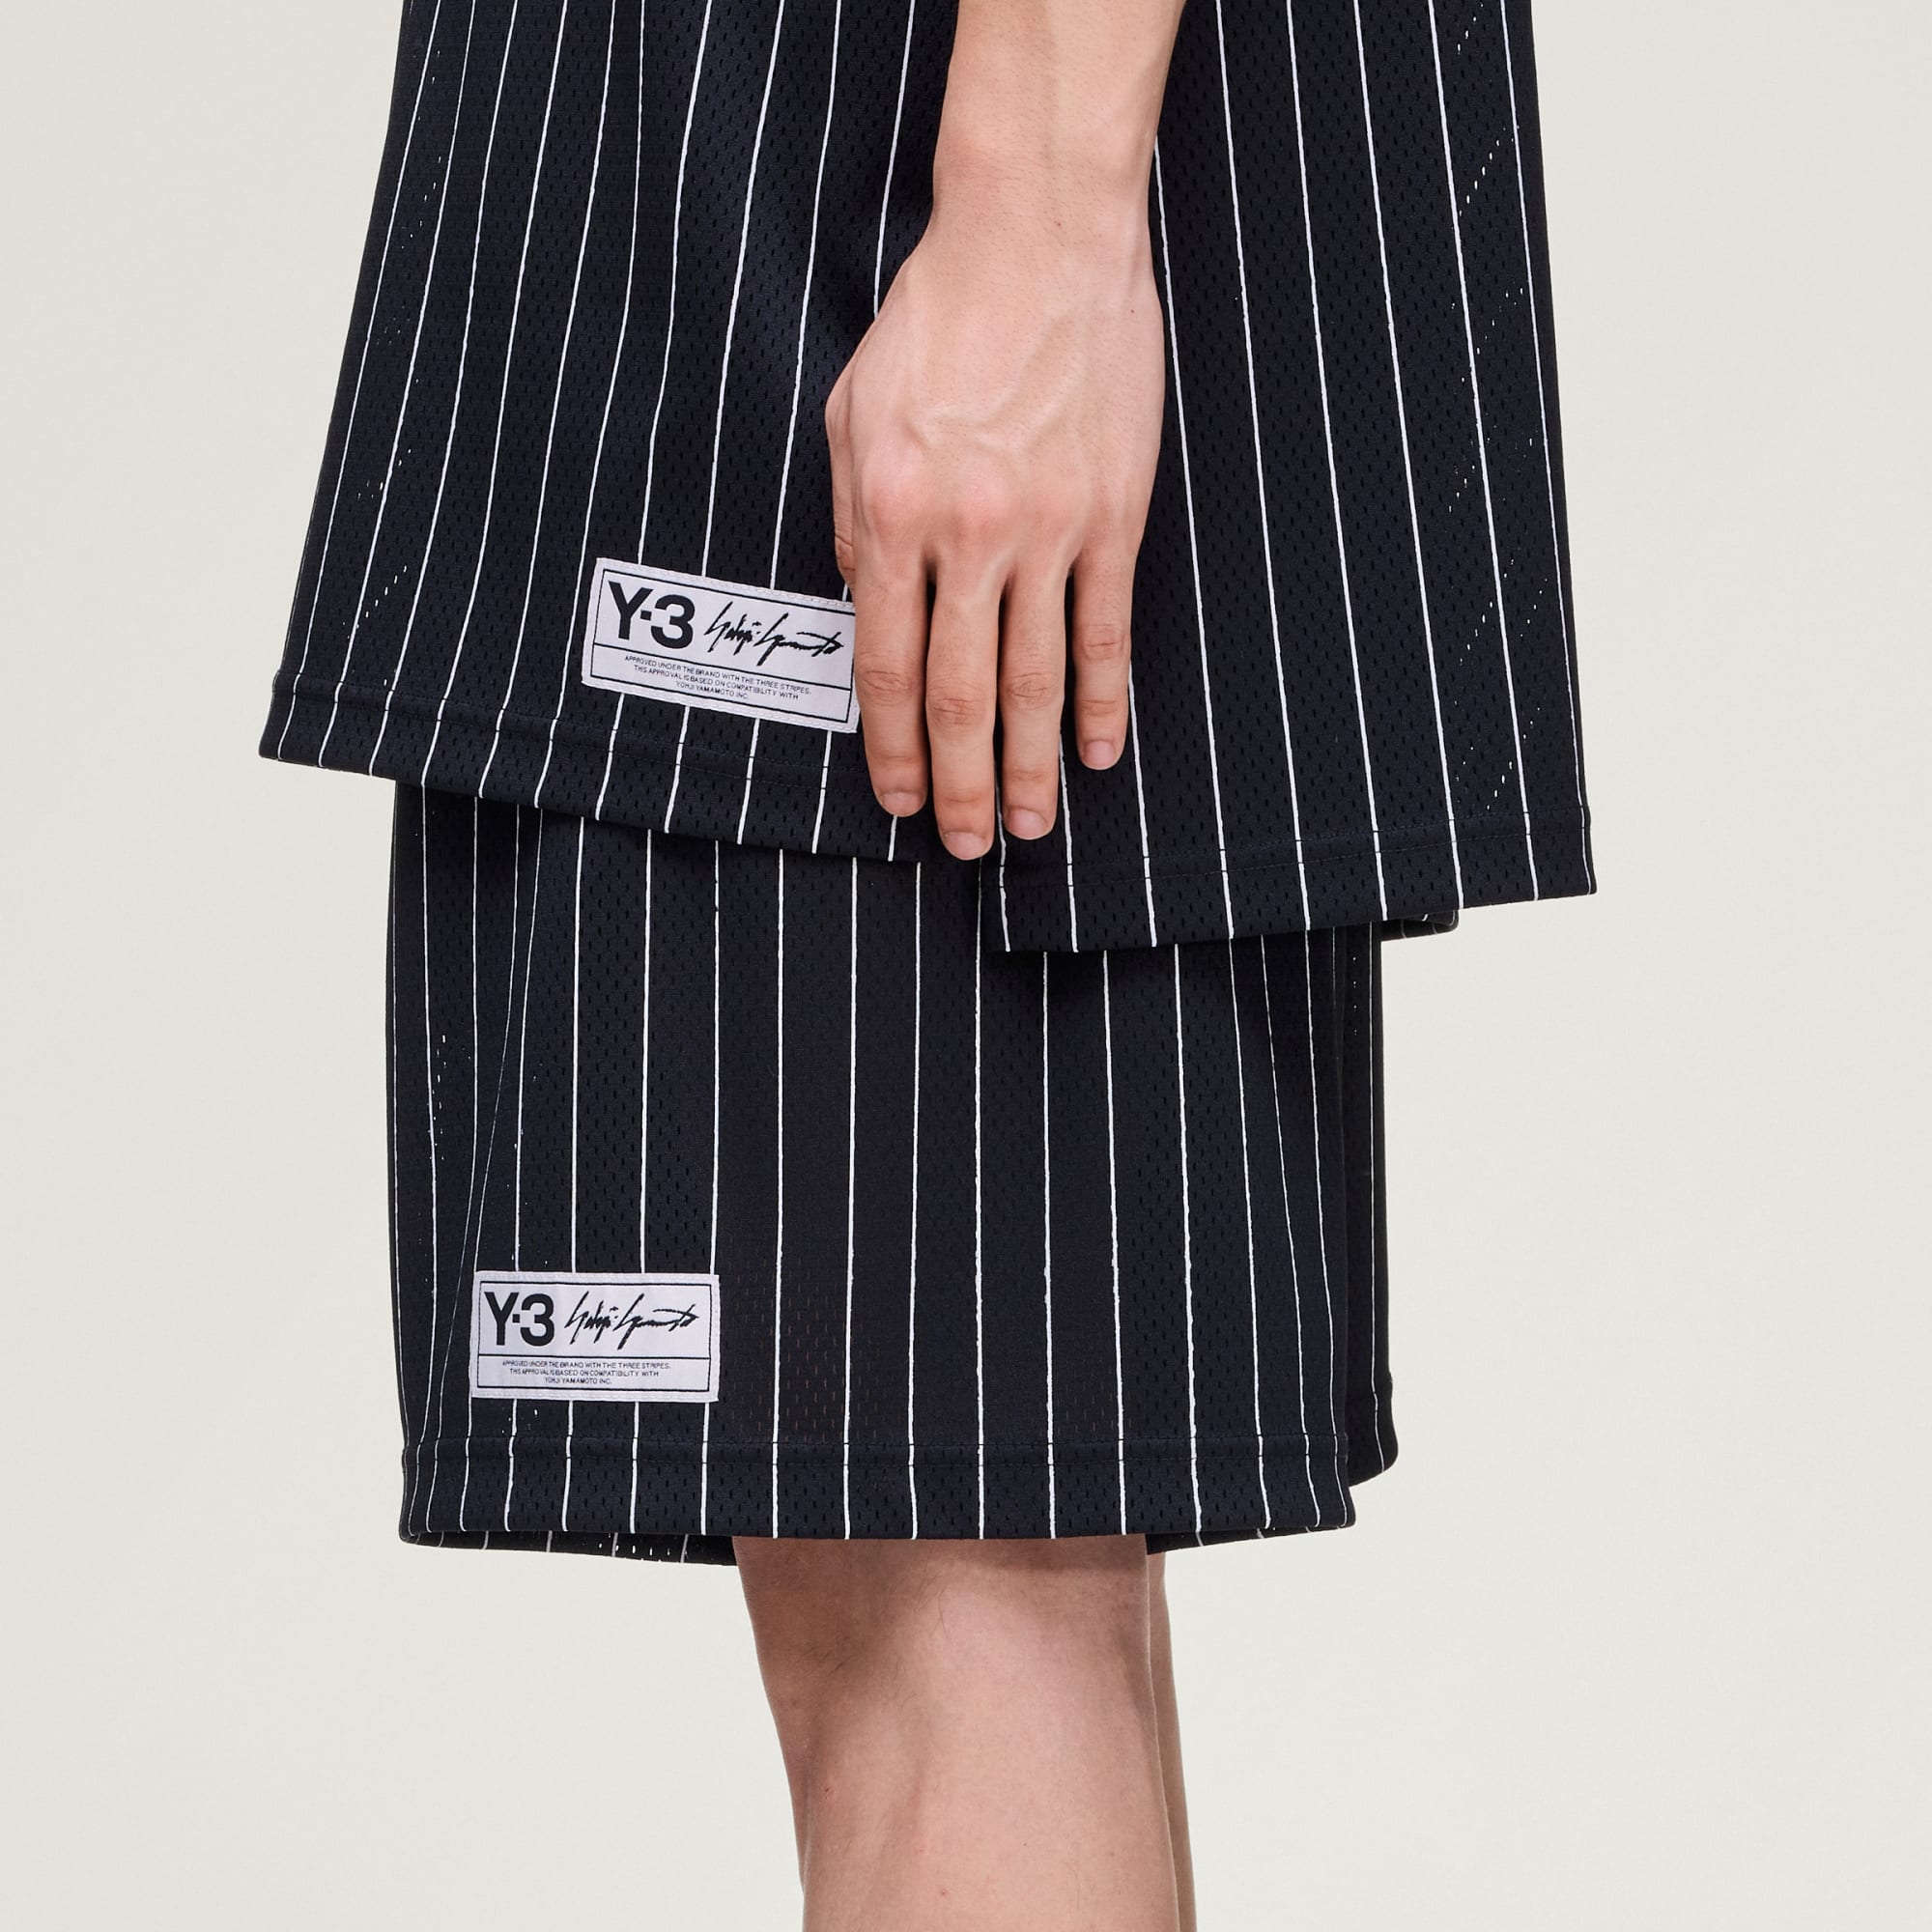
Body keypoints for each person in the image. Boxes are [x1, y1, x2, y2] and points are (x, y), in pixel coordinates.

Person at [262, 1, 1593, 1924]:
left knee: (942, 1616)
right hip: (799, 194)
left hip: (847, 198)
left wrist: (1036, 210)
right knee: (977, 1572)